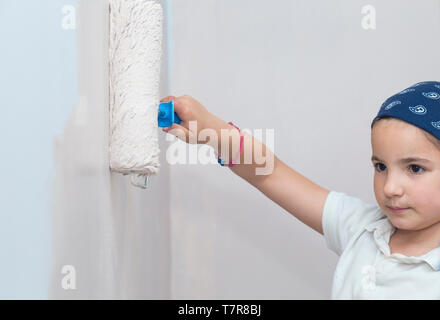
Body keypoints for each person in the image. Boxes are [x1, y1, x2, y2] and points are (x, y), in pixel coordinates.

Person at [159, 81, 440, 299]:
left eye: (415, 168)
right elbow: (271, 174)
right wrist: (210, 129)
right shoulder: (362, 229)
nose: (390, 188)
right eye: (380, 166)